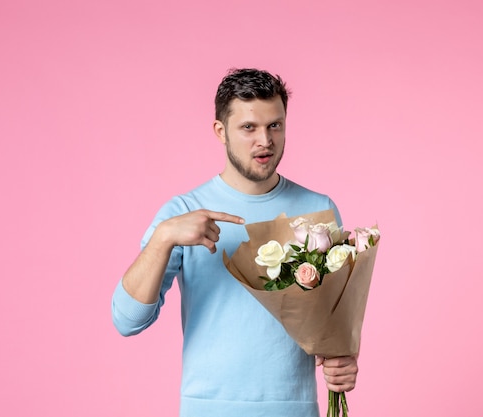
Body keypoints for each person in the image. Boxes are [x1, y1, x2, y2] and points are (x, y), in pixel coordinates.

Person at [112, 68, 358, 417]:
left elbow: (334, 324)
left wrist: (344, 360)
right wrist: (163, 238)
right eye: (249, 128)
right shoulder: (183, 213)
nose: (265, 141)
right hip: (208, 409)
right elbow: (127, 320)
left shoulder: (319, 209)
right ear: (220, 131)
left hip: (295, 409)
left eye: (275, 125)